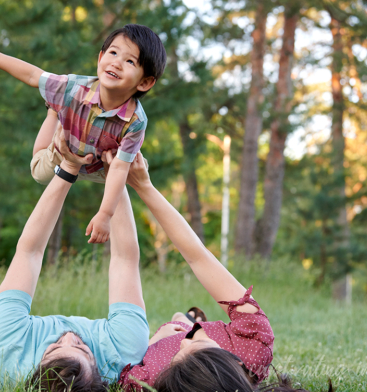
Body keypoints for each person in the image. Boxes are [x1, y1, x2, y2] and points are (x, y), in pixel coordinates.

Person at [0, 24, 167, 244]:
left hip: (101, 164)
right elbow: (33, 75)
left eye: (130, 61)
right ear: (100, 58)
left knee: (137, 170)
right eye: (113, 53)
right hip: (65, 150)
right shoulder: (71, 87)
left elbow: (118, 168)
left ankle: (57, 108)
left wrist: (104, 215)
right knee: (39, 173)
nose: (117, 62)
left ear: (144, 82)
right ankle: (54, 111)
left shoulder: (136, 122)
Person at [0, 137, 149, 390]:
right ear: (99, 369)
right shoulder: (123, 355)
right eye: (82, 348)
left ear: (36, 366)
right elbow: (125, 260)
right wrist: (115, 173)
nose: (70, 337)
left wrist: (68, 169)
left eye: (56, 347)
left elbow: (30, 252)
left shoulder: (7, 349)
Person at [111, 151, 275, 391]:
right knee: (183, 321)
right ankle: (189, 318)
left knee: (178, 321)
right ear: (235, 362)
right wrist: (144, 186)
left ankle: (186, 318)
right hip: (215, 335)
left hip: (161, 341)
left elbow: (124, 261)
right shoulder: (253, 344)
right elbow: (197, 257)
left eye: (178, 356)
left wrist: (151, 343)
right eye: (198, 344)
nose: (185, 342)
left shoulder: (146, 381)